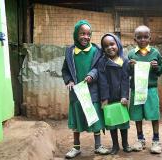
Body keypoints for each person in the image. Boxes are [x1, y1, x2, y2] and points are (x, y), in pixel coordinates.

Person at [61, 20, 110, 159]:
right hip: (76, 93)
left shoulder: (96, 51)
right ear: (76, 34)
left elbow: (99, 68)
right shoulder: (70, 52)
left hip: (92, 92)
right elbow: (65, 70)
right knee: (77, 119)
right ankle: (76, 147)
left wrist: (91, 75)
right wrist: (69, 80)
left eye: (88, 34)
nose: (86, 37)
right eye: (82, 33)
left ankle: (98, 146)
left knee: (95, 118)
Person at [128, 25, 162, 154]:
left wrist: (157, 67)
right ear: (135, 39)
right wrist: (130, 66)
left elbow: (161, 70)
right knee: (137, 115)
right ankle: (140, 139)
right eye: (139, 37)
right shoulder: (132, 54)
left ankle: (156, 141)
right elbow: (127, 72)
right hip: (136, 89)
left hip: (151, 89)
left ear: (150, 38)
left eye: (145, 37)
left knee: (154, 114)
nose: (142, 40)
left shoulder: (155, 53)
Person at [98, 33, 132, 155]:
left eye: (112, 44)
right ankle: (115, 146)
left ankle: (125, 144)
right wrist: (104, 98)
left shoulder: (124, 60)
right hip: (109, 97)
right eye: (105, 46)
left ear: (117, 44)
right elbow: (102, 81)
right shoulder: (102, 62)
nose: (109, 47)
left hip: (121, 97)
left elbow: (125, 80)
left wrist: (124, 96)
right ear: (103, 48)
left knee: (123, 122)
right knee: (112, 122)